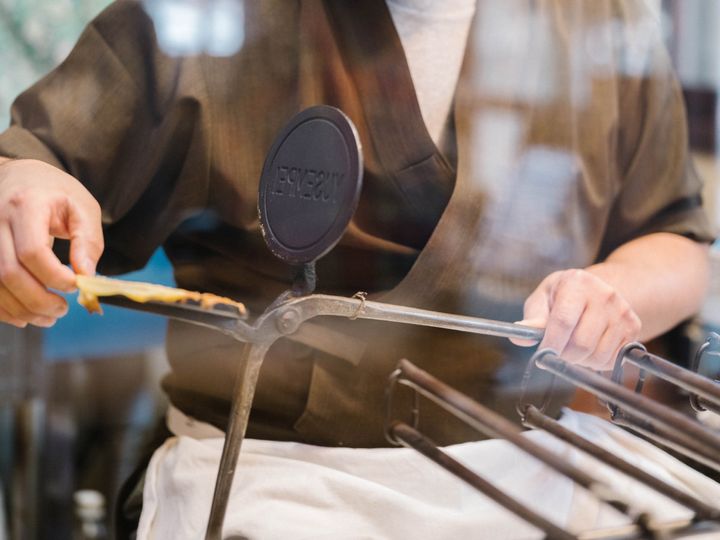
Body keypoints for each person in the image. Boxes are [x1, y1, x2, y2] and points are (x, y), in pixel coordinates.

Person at [0, 0, 714, 536]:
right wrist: (23, 187)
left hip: (536, 464)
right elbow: (36, 160)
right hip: (278, 475)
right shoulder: (208, 17)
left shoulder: (602, 19)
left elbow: (678, 238)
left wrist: (609, 292)